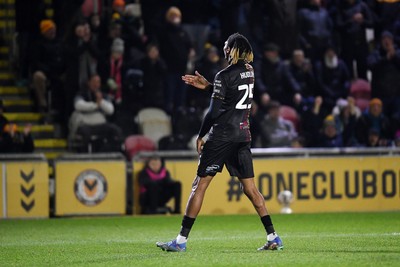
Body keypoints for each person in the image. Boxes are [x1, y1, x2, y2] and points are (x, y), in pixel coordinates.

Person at [156, 33, 283, 252]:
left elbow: (214, 112)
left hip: (222, 136)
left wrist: (202, 134)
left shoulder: (223, 75)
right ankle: (273, 237)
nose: (224, 49)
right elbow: (234, 97)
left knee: (199, 185)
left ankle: (180, 241)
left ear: (232, 49)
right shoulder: (250, 72)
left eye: (226, 46)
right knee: (251, 189)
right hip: (243, 136)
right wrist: (209, 87)